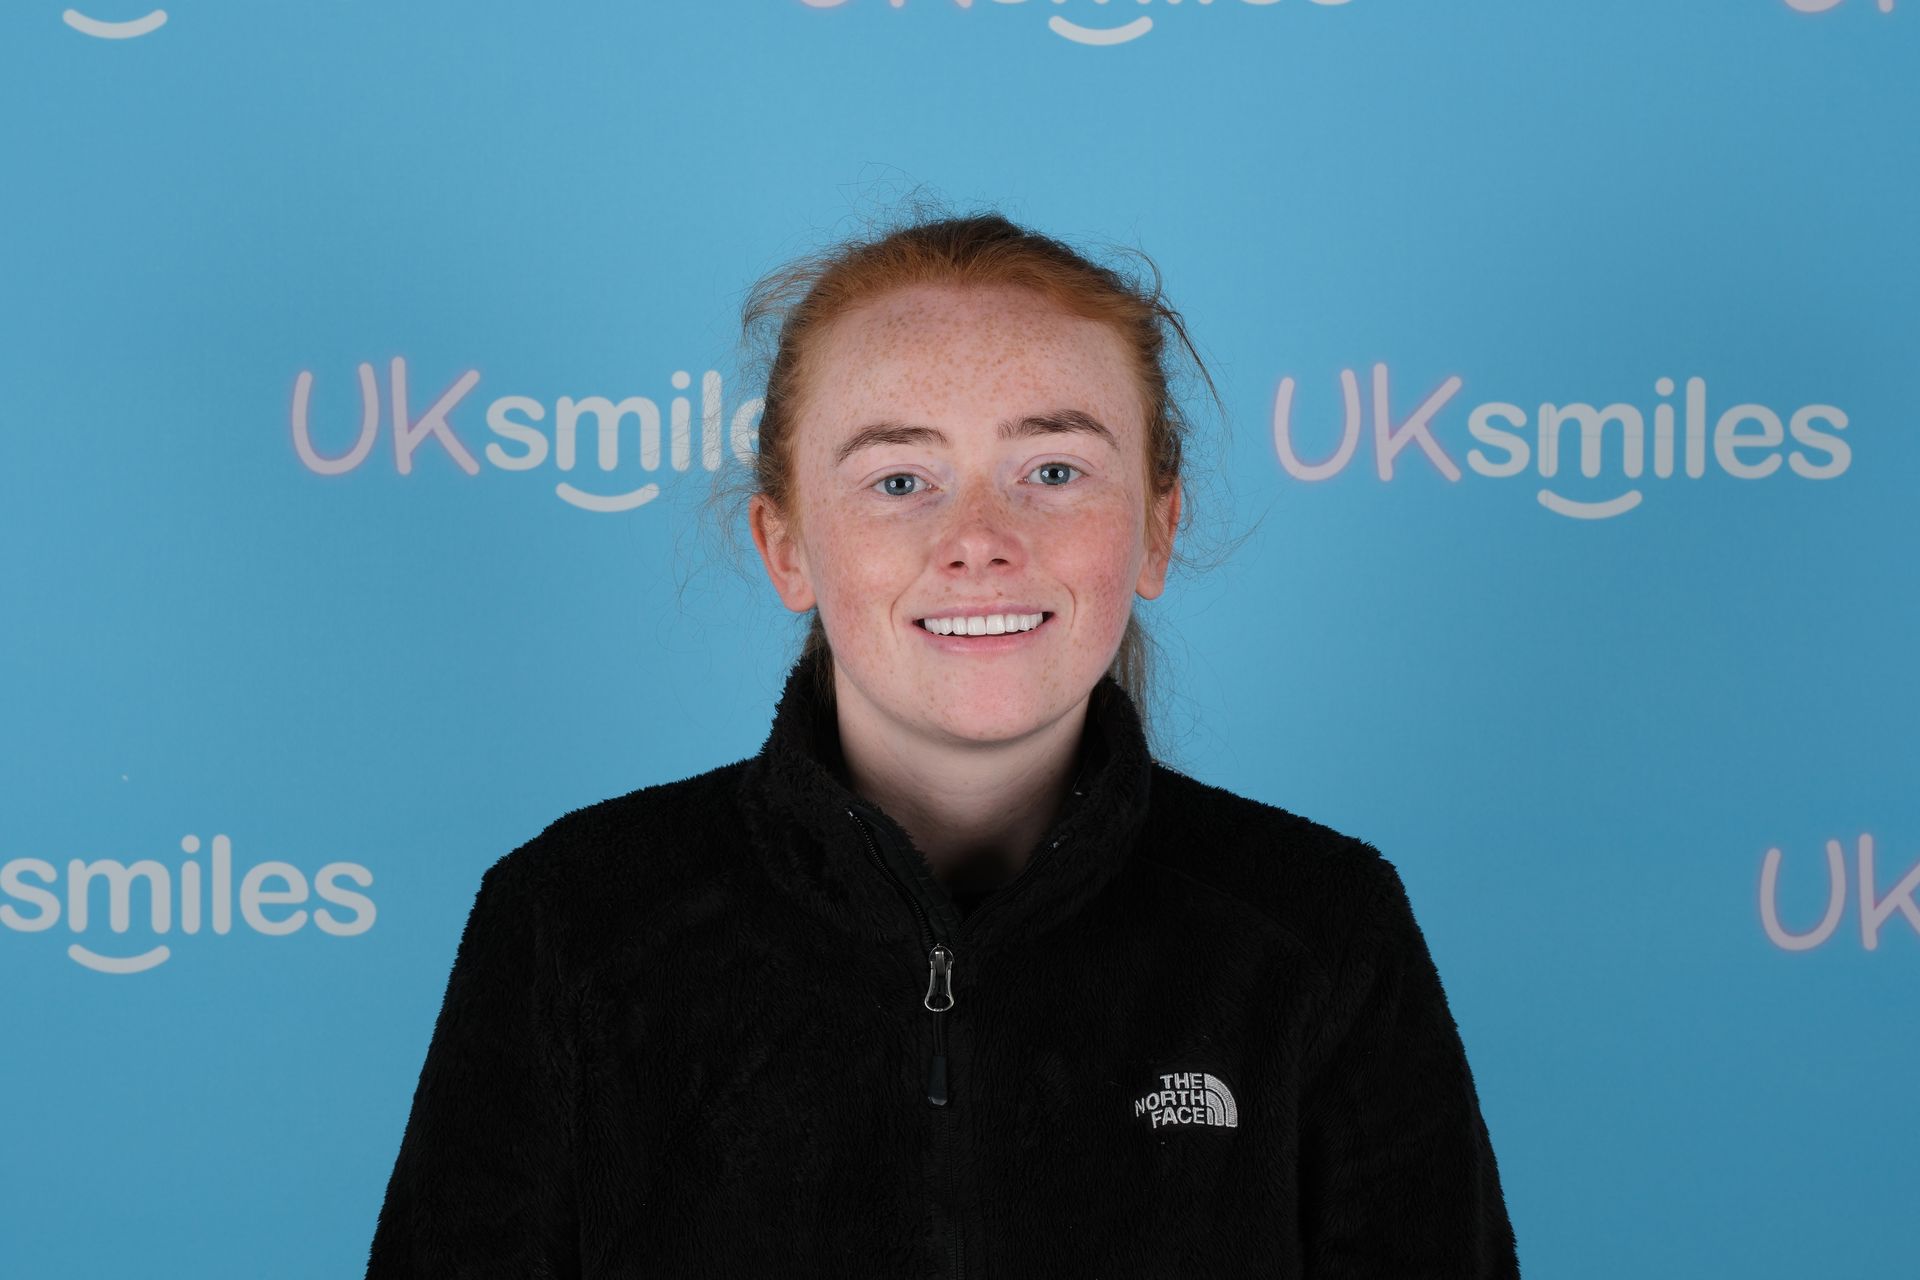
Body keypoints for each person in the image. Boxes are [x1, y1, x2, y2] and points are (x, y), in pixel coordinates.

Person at [365, 209, 1522, 1277]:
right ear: (787, 547)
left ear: (1159, 530)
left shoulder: (1318, 930)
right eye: (901, 478)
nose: (979, 538)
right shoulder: (572, 922)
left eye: (1053, 470)